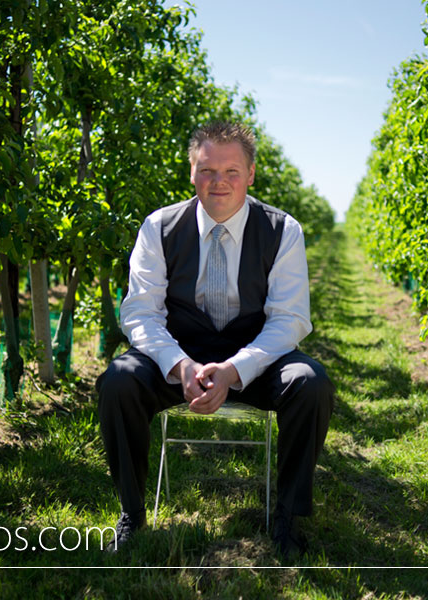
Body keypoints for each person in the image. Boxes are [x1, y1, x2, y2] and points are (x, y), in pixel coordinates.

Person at [96, 121, 334, 559]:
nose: (218, 182)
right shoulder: (159, 227)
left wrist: (234, 369)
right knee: (118, 380)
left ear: (252, 174)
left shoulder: (284, 231)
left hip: (255, 358)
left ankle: (289, 517)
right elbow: (140, 311)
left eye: (231, 171)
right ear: (191, 172)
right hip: (178, 353)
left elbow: (289, 319)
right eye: (207, 170)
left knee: (310, 382)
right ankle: (132, 512)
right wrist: (180, 365)